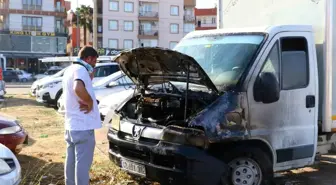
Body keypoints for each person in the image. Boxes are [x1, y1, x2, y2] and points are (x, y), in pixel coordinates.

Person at [62, 46, 102, 185]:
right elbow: (78, 88)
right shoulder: (81, 70)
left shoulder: (70, 70)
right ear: (88, 58)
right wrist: (90, 102)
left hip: (71, 126)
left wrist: (89, 79)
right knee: (83, 165)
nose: (94, 65)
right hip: (83, 126)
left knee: (71, 162)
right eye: (94, 62)